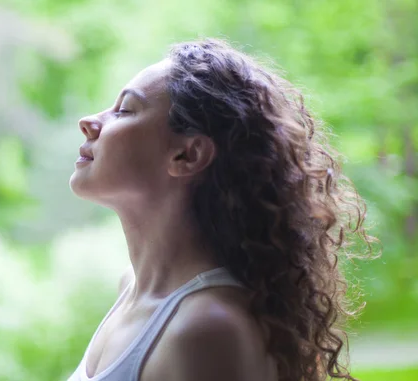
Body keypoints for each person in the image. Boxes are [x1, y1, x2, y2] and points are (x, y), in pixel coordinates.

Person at [67, 39, 373, 381]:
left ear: (188, 155)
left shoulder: (206, 329)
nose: (89, 121)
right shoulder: (133, 287)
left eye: (124, 110)